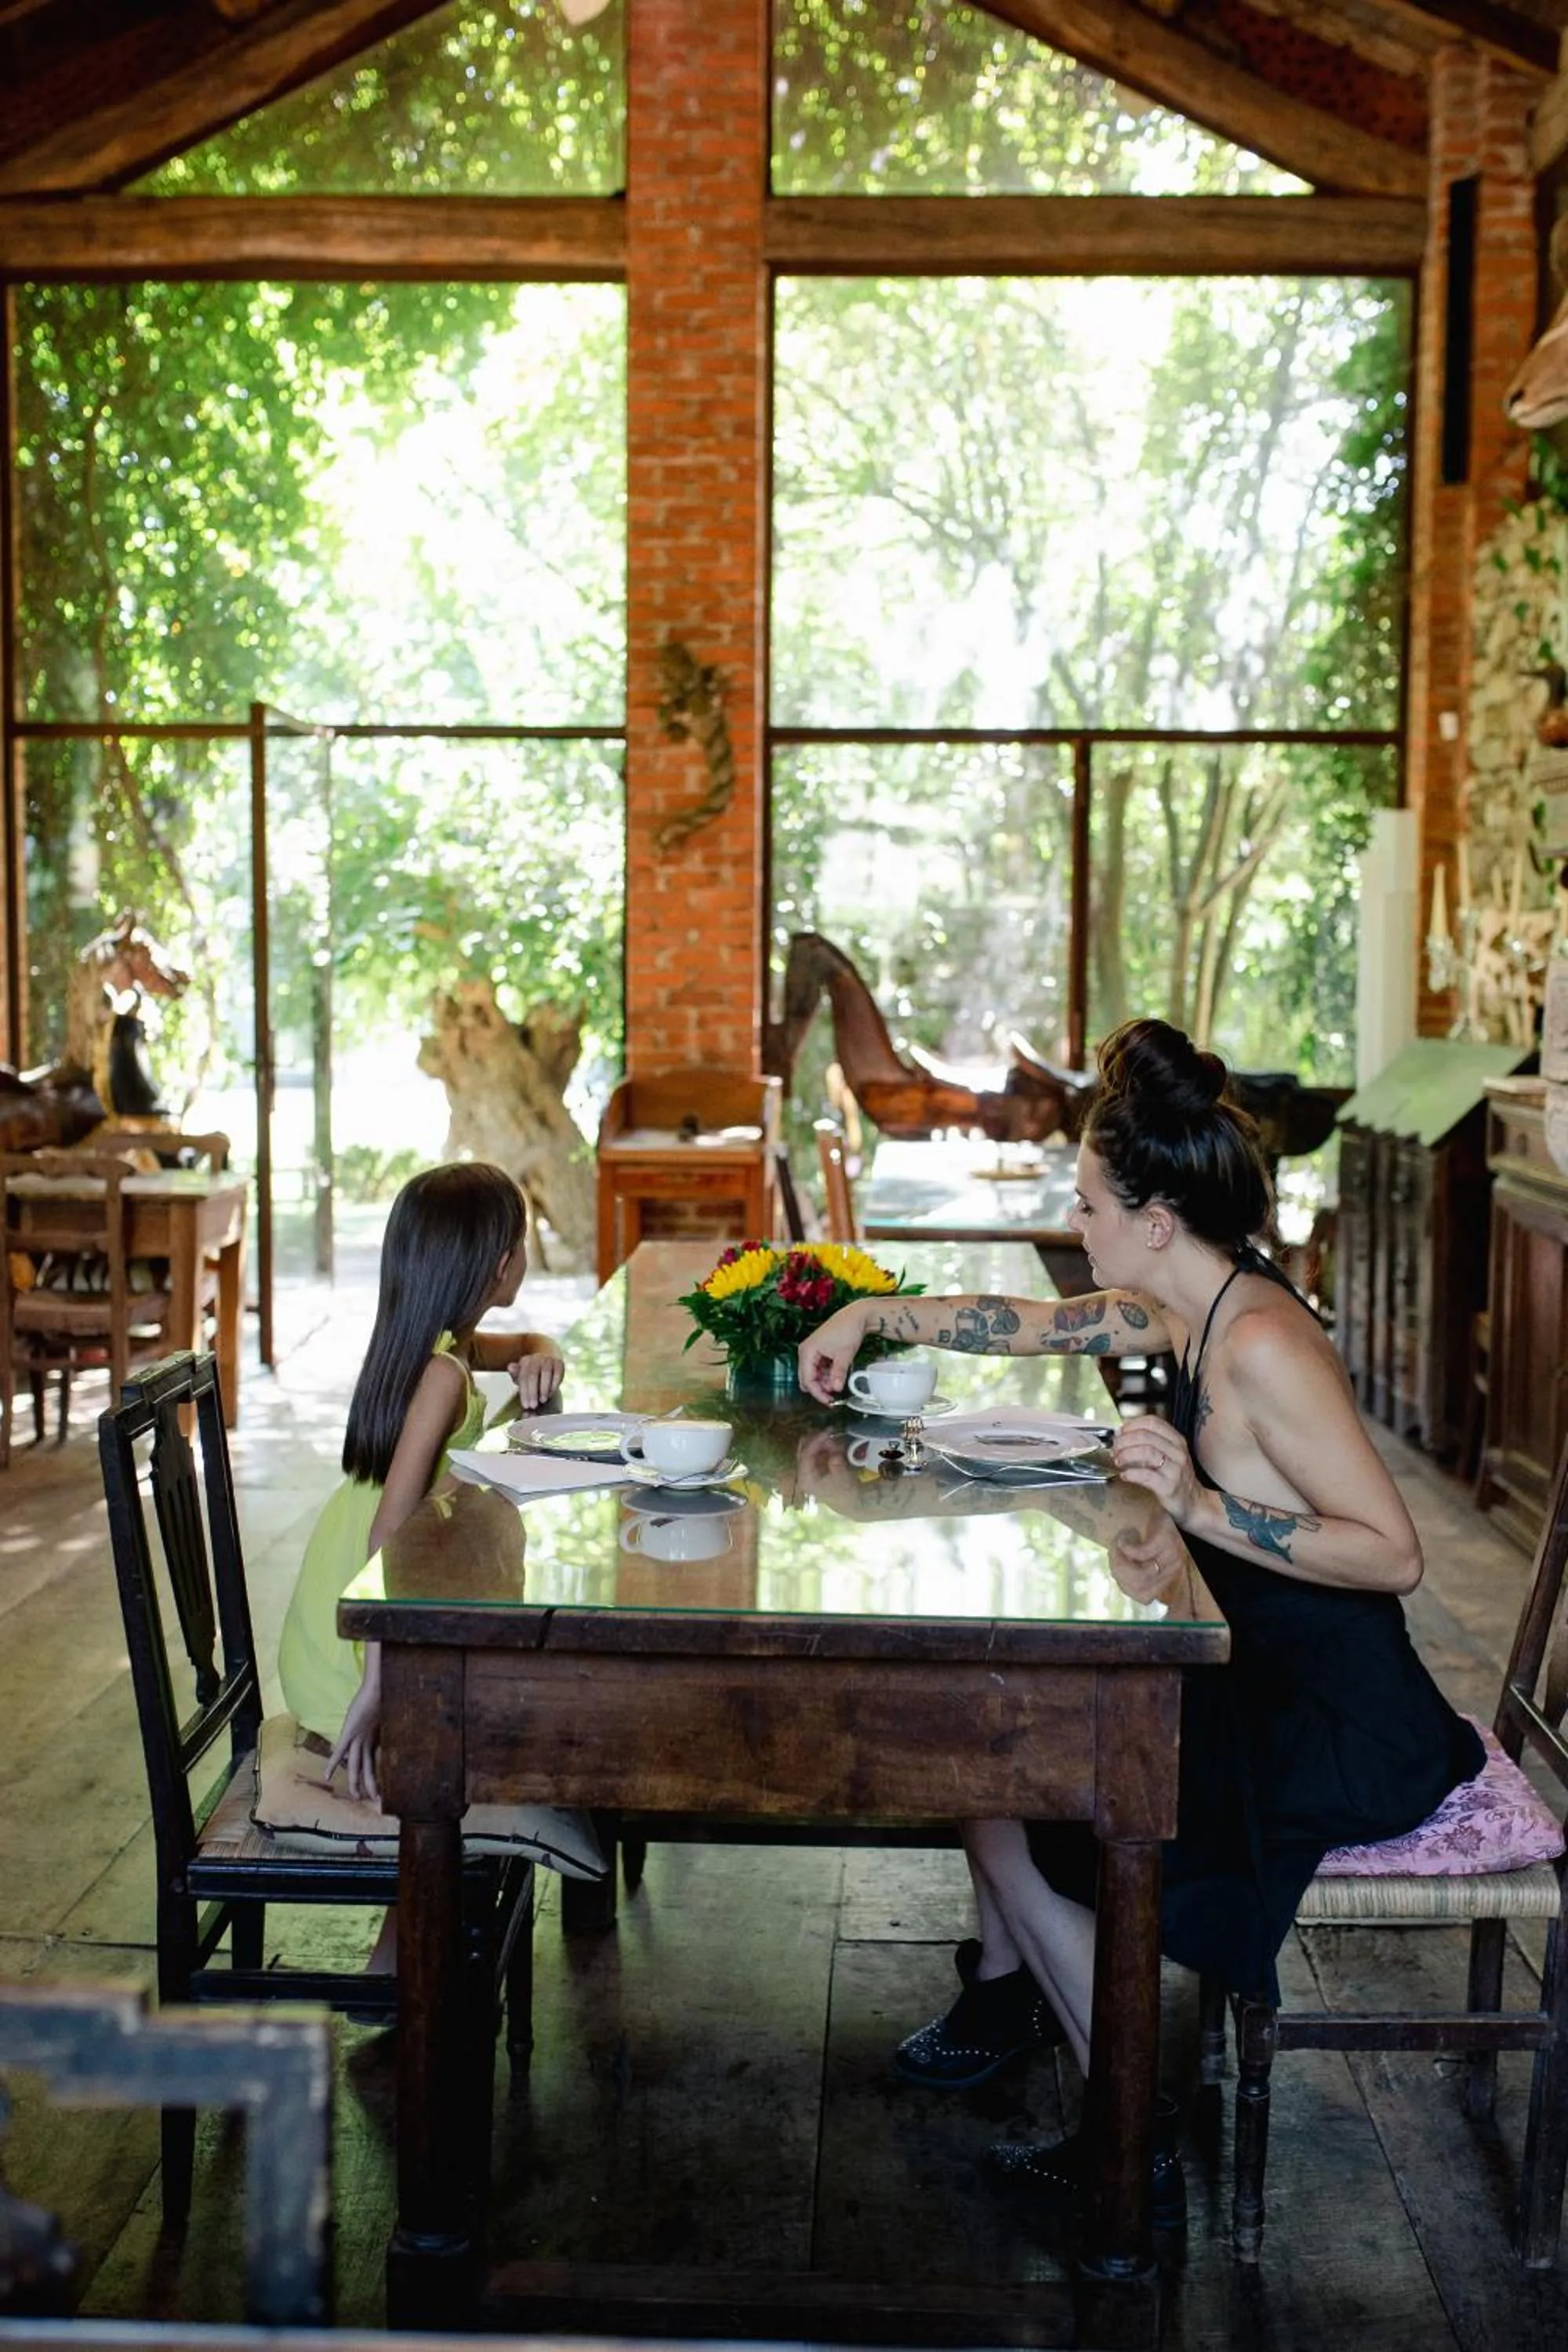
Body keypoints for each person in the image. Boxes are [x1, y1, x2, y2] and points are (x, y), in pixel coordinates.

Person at [797, 1018, 1483, 2217]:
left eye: (1090, 1206)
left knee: (1019, 1800)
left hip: (1335, 1722)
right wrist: (873, 1317)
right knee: (1002, 1774)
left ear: (1154, 1223)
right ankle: (1103, 2094)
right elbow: (1029, 1325)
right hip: (1245, 1665)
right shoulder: (1183, 1311)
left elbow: (1396, 1554)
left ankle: (1129, 2142)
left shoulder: (1267, 1343)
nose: (1078, 1224)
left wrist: (1203, 1509)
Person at [278, 1160, 566, 1809]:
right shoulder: (442, 1374)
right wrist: (381, 1686)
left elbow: (527, 1339)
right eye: (521, 1244)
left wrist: (544, 1352)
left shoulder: (442, 1342)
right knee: (524, 1714)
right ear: (501, 1264)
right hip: (358, 1642)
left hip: (357, 1609)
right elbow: (387, 1539)